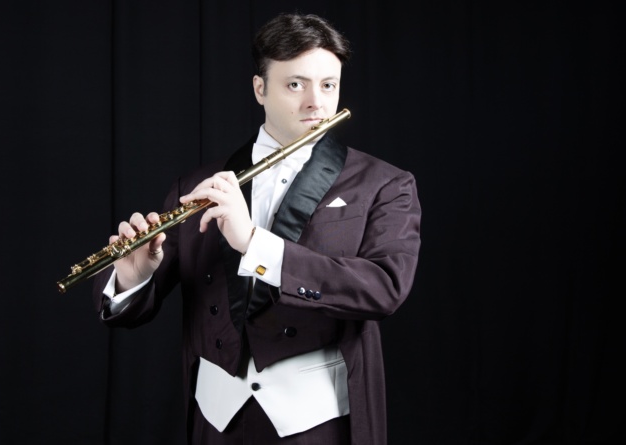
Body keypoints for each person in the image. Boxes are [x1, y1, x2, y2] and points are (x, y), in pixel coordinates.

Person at [92, 12, 421, 445]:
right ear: (260, 89)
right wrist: (133, 280)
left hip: (317, 423)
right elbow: (138, 306)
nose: (316, 103)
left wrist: (252, 242)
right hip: (216, 420)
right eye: (295, 84)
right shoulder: (196, 185)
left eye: (328, 85)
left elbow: (385, 288)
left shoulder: (383, 184)